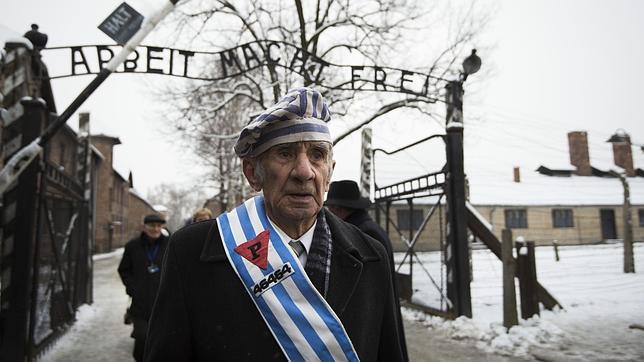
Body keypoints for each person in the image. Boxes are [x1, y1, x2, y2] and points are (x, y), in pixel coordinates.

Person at [144, 87, 406, 361]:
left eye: (317, 154)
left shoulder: (371, 256)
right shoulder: (192, 253)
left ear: (329, 174)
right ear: (252, 174)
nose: (304, 172)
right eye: (285, 153)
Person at [325, 179, 408, 361]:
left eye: (332, 209)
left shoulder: (363, 234)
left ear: (340, 209)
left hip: (370, 314)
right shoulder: (368, 228)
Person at [118, 214, 169, 361]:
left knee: (162, 340)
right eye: (152, 225)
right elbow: (124, 270)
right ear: (144, 226)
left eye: (159, 226)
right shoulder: (132, 246)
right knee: (142, 338)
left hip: (164, 301)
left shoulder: (169, 244)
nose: (155, 229)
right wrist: (133, 288)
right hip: (141, 303)